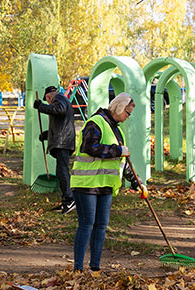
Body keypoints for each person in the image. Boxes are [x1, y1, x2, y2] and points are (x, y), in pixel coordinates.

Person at [70, 92, 147, 272]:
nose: (128, 117)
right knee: (87, 224)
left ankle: (95, 267)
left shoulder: (117, 130)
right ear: (119, 107)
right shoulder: (95, 123)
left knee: (101, 226)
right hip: (86, 184)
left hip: (105, 185)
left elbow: (123, 161)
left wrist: (138, 183)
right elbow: (90, 147)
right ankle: (78, 268)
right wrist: (117, 150)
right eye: (127, 113)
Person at [34, 85, 76, 214]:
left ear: (48, 97)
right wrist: (46, 135)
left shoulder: (59, 98)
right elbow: (60, 124)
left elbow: (59, 110)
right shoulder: (61, 99)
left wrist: (41, 107)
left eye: (47, 101)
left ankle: (70, 200)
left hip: (63, 143)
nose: (48, 103)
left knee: (62, 172)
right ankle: (66, 201)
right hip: (63, 141)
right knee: (61, 172)